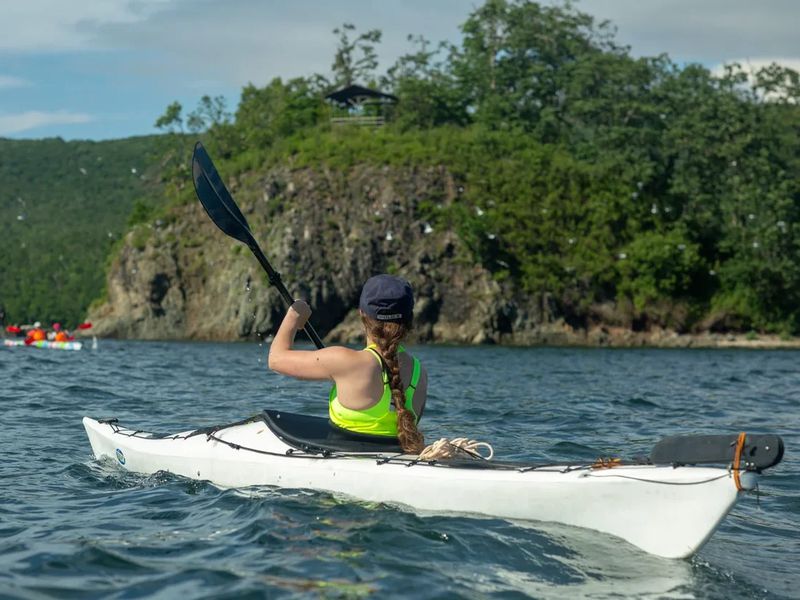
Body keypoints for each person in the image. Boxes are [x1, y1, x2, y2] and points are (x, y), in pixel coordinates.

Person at [268, 274, 428, 453]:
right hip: (394, 456)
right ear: (409, 319)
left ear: (362, 314)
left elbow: (276, 359)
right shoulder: (419, 372)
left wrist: (293, 316)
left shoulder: (345, 361)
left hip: (345, 459)